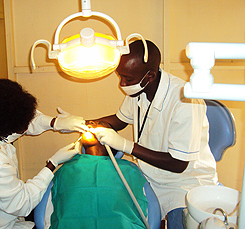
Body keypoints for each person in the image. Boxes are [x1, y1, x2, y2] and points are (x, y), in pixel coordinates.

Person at [90, 40, 218, 229]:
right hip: (147, 174)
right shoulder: (138, 90)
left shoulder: (185, 101)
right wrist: (82, 123)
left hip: (182, 184)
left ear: (149, 75)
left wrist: (126, 146)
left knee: (178, 223)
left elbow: (178, 164)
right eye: (120, 76)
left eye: (127, 79)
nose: (122, 83)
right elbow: (119, 120)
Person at [0, 79, 88, 228]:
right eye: (22, 127)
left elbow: (24, 118)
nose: (26, 128)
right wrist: (52, 163)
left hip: (4, 206)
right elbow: (22, 203)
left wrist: (55, 123)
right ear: (5, 128)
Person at [43, 120, 148, 228]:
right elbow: (48, 211)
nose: (91, 123)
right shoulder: (66, 168)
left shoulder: (128, 169)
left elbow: (145, 208)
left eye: (101, 125)